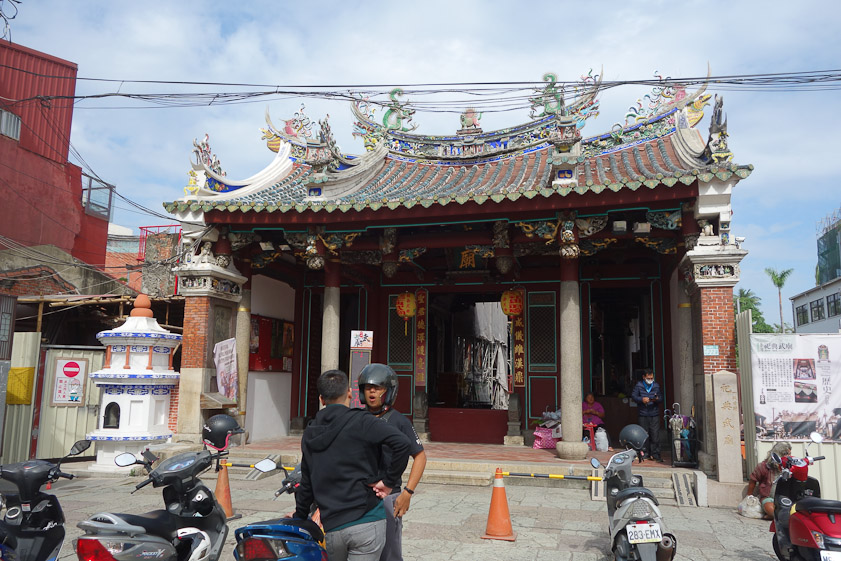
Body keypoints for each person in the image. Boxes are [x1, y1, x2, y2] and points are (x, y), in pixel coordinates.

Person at [295, 370, 411, 561]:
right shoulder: (362, 421)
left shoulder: (310, 432)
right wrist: (389, 481)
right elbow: (402, 443)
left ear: (322, 399)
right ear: (350, 392)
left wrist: (300, 515)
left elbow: (306, 480)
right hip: (366, 520)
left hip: (333, 526)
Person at [358, 364, 426, 561]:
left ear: (388, 391)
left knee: (390, 552)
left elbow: (420, 457)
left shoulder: (400, 421)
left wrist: (408, 493)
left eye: (378, 387)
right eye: (368, 387)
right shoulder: (356, 418)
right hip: (359, 494)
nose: (372, 391)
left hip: (388, 496)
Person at [747, 441, 791, 519]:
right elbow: (753, 480)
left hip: (785, 499)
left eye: (789, 454)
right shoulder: (764, 466)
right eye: (786, 454)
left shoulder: (790, 467)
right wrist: (749, 496)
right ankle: (773, 515)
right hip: (768, 498)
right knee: (770, 509)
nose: (789, 456)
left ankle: (773, 517)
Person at [631, 369, 663, 462]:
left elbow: (661, 398)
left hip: (654, 413)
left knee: (655, 434)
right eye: (648, 378)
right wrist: (642, 399)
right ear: (644, 377)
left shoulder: (656, 386)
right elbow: (634, 396)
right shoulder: (639, 385)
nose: (650, 380)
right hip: (643, 413)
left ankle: (655, 454)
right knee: (644, 434)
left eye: (652, 378)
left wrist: (656, 399)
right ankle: (644, 453)